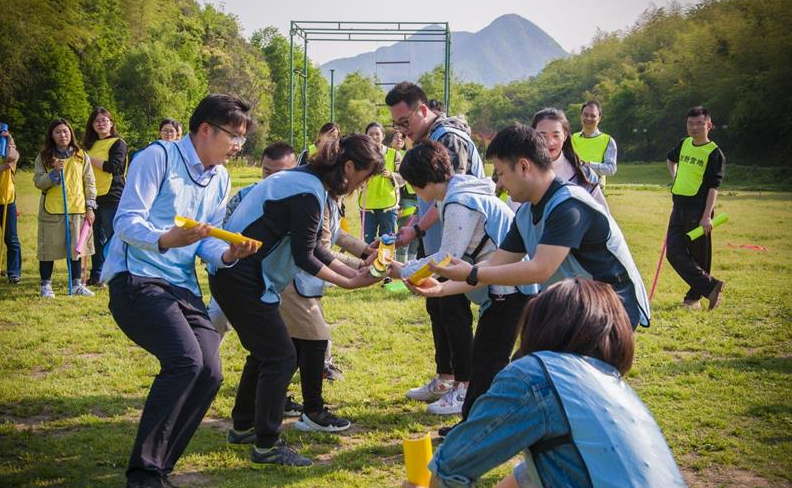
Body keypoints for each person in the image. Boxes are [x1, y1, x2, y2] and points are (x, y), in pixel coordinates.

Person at [100, 93, 259, 488]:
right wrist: (167, 239)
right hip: (135, 279)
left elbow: (204, 240)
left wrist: (227, 254)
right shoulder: (158, 157)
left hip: (180, 285)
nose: (238, 146)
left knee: (210, 370)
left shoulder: (219, 177)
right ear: (205, 130)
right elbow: (125, 222)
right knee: (186, 360)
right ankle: (144, 474)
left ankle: (159, 468)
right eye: (234, 136)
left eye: (242, 138)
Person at [404, 278, 687, 488]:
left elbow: (451, 467)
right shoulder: (612, 393)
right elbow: (531, 477)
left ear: (541, 324)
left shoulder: (535, 376)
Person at [208, 134, 384, 467]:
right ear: (349, 167)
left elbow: (315, 246)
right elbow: (305, 256)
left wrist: (352, 274)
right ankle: (267, 446)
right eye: (365, 177)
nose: (363, 185)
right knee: (281, 357)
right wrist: (348, 282)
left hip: (238, 276)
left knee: (265, 354)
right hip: (244, 279)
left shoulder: (306, 183)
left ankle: (244, 426)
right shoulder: (307, 190)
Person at [421, 124, 650, 329]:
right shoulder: (525, 214)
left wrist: (472, 271)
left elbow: (541, 269)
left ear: (523, 167)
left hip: (611, 311)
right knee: (527, 368)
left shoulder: (568, 206)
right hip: (575, 308)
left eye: (500, 173)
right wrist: (441, 289)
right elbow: (494, 265)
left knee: (536, 371)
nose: (499, 183)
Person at [397, 141, 538, 422]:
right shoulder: (455, 194)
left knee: (488, 363)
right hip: (500, 286)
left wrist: (401, 270)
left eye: (413, 184)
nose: (414, 191)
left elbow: (448, 258)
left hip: (510, 289)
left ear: (421, 181)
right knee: (487, 360)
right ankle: (473, 421)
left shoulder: (460, 201)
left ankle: (479, 422)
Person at [386, 81, 484, 409]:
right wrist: (416, 227)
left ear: (423, 110)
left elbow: (448, 194)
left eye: (405, 122)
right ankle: (445, 378)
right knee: (437, 306)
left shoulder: (449, 139)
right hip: (437, 240)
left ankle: (465, 384)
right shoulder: (429, 138)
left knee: (453, 310)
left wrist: (414, 228)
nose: (402, 130)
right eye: (396, 125)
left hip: (456, 245)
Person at [665, 106, 726, 310]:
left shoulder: (714, 153)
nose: (694, 127)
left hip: (698, 210)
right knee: (673, 252)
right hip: (678, 207)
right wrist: (675, 179)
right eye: (690, 123)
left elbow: (713, 187)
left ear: (709, 125)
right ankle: (711, 287)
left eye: (699, 123)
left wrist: (707, 216)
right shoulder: (683, 144)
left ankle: (693, 299)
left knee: (699, 255)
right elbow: (670, 159)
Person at [33, 119, 97, 297]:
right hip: (52, 209)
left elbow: (90, 182)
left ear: (71, 134)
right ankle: (46, 285)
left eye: (66, 131)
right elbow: (38, 182)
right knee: (48, 249)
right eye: (58, 132)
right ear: (52, 136)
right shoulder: (44, 157)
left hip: (77, 208)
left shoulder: (81, 155)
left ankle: (76, 284)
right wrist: (53, 173)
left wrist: (90, 206)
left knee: (76, 249)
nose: (63, 135)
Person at [83, 107, 128, 286]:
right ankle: (97, 275)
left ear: (111, 123)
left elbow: (114, 167)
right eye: (97, 121)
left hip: (112, 196)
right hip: (92, 197)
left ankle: (117, 273)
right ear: (92, 125)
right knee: (95, 240)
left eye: (104, 120)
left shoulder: (118, 143)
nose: (101, 124)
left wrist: (88, 159)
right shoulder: (90, 145)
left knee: (112, 238)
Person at [532, 108, 609, 212]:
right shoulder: (522, 172)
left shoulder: (584, 173)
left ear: (565, 135)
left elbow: (603, 217)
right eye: (542, 136)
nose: (550, 142)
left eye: (556, 135)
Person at [359, 122, 402, 244]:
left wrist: (391, 175)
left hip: (388, 205)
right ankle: (367, 263)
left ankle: (386, 264)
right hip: (368, 205)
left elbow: (404, 178)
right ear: (366, 136)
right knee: (368, 243)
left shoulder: (394, 155)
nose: (374, 137)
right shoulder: (362, 155)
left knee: (388, 242)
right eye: (370, 134)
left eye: (377, 134)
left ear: (383, 136)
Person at [571, 100, 618, 188]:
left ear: (599, 118)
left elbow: (611, 169)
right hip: (574, 188)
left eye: (593, 116)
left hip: (595, 190)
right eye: (585, 115)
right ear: (581, 116)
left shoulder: (608, 140)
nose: (588, 118)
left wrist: (589, 166)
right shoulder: (573, 138)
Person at [388, 129, 418, 263]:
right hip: (404, 199)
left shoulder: (411, 154)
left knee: (417, 234)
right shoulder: (391, 156)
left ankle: (412, 263)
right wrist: (398, 204)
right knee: (404, 233)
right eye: (395, 137)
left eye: (402, 137)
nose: (399, 139)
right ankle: (400, 265)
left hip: (418, 198)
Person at [0, 126, 22, 283]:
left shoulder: (7, 148)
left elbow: (12, 157)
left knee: (11, 239)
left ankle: (14, 272)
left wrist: (9, 139)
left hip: (7, 200)